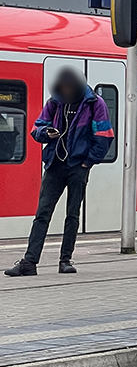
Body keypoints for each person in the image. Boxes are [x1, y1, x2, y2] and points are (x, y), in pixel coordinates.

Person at [4, 68, 114, 277]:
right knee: (42, 213)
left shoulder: (95, 104)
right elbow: (37, 129)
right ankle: (29, 262)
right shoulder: (55, 102)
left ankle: (65, 260)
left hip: (78, 167)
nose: (66, 90)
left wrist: (87, 162)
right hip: (55, 164)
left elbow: (105, 134)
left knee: (72, 215)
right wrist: (47, 133)